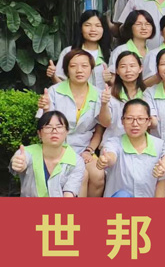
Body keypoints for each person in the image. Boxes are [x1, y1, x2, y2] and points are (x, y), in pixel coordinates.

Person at [37, 49, 103, 197]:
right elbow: (46, 125)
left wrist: (89, 150)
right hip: (59, 148)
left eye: (84, 66)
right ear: (66, 69)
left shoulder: (99, 94)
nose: (79, 70)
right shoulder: (54, 91)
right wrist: (46, 108)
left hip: (85, 148)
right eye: (73, 66)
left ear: (91, 69)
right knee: (81, 175)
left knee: (98, 175)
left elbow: (99, 129)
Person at [96, 99, 164, 197]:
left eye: (140, 119)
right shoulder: (113, 142)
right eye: (129, 118)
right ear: (122, 121)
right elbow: (111, 155)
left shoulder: (160, 146)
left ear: (149, 121)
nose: (135, 124)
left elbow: (162, 181)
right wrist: (106, 160)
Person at [9, 111, 85, 197]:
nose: (54, 131)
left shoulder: (76, 161)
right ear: (39, 133)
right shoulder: (27, 152)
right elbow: (19, 158)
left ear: (66, 131)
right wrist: (18, 164)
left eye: (59, 127)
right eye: (48, 127)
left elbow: (70, 192)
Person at [48, 10, 112, 91]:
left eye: (98, 26)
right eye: (88, 25)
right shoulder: (69, 52)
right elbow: (59, 84)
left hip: (101, 98)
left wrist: (110, 81)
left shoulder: (109, 54)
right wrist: (53, 76)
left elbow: (117, 88)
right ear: (81, 28)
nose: (93, 29)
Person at [98, 51, 146, 144]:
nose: (128, 70)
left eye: (132, 66)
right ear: (117, 71)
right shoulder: (108, 93)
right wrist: (104, 104)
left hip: (139, 145)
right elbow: (105, 123)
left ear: (140, 68)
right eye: (123, 66)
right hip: (112, 144)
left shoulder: (147, 94)